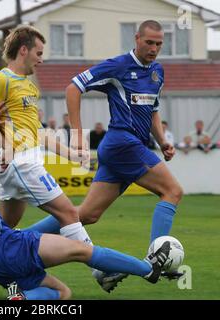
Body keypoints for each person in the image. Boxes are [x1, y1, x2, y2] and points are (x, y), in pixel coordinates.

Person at [0, 105, 171, 300]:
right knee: (80, 249)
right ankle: (147, 269)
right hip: (8, 247)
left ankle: (21, 298)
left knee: (62, 293)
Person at [0, 25, 121, 296]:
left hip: (20, 163)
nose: (42, 58)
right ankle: (102, 270)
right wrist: (5, 146)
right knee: (69, 213)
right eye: (38, 52)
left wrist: (71, 154)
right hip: (22, 163)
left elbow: (36, 132)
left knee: (2, 230)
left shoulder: (29, 86)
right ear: (23, 50)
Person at [26, 20, 183, 283]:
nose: (154, 48)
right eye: (149, 42)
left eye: (159, 44)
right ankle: (155, 260)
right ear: (136, 39)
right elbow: (73, 87)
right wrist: (77, 135)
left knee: (86, 215)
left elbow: (152, 109)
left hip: (128, 147)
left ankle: (19, 239)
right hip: (123, 143)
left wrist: (163, 140)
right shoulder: (119, 65)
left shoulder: (157, 72)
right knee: (173, 191)